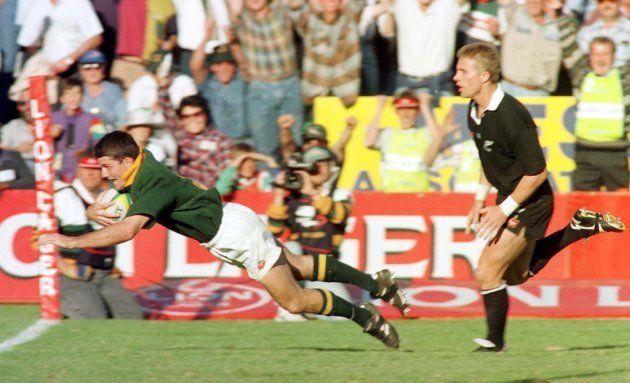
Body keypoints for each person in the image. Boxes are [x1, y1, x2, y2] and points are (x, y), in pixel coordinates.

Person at [39, 131, 408, 349]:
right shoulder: (143, 164)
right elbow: (120, 204)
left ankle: (366, 317)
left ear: (124, 161)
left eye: (106, 167)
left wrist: (71, 242)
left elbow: (127, 229)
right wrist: (84, 218)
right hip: (233, 222)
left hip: (234, 236)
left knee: (295, 302)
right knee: (298, 264)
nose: (103, 175)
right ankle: (377, 284)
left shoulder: (153, 183)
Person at [454, 42, 625, 352]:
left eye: (463, 71)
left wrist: (503, 210)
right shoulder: (474, 110)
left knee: (487, 270)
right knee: (516, 276)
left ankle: (495, 342)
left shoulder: (511, 116)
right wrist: (479, 201)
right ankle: (578, 229)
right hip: (510, 197)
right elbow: (487, 160)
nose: (456, 77)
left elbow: (538, 174)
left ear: (484, 76)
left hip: (531, 201)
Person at [51, 154, 143, 319]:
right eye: (86, 168)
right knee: (93, 318)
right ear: (77, 169)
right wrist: (64, 267)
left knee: (132, 316)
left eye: (95, 169)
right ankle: (65, 306)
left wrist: (111, 264)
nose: (90, 174)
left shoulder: (112, 197)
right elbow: (38, 237)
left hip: (104, 274)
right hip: (75, 275)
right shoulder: (64, 196)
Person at [559, 10, 629, 191]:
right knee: (581, 211)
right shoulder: (581, 75)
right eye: (596, 53)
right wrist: (559, 12)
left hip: (615, 154)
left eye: (605, 53)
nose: (600, 58)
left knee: (620, 210)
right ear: (589, 56)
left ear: (614, 56)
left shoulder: (623, 77)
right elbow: (568, 45)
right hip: (585, 154)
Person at [364, 90, 457, 192]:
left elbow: (437, 138)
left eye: (411, 108)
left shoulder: (424, 133)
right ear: (396, 111)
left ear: (418, 111)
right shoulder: (388, 133)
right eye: (401, 109)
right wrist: (380, 107)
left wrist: (424, 106)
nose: (406, 114)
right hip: (390, 194)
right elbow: (369, 142)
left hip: (418, 195)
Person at [499, 0, 563, 97]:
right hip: (508, 89)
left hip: (537, 93)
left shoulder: (559, 25)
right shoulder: (515, 12)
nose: (532, 2)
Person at [190, 37, 248, 141]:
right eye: (219, 64)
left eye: (229, 64)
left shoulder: (242, 82)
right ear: (212, 67)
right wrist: (206, 36)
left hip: (244, 140)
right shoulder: (208, 85)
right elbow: (195, 67)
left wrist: (233, 42)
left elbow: (244, 64)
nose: (224, 68)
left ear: (234, 66)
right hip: (217, 142)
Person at [52, 78, 106, 182]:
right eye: (68, 93)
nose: (73, 97)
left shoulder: (94, 120)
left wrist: (88, 151)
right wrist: (49, 136)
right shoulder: (53, 119)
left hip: (82, 170)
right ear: (62, 98)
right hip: (57, 173)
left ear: (82, 97)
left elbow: (101, 145)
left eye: (76, 93)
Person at [175, 95, 233, 189]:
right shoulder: (177, 140)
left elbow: (226, 173)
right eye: (186, 116)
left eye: (197, 115)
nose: (192, 120)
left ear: (205, 115)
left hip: (210, 193)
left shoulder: (220, 139)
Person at [277, 114, 358, 164]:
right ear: (303, 144)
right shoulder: (297, 157)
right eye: (308, 142)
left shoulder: (331, 159)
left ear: (326, 144)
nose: (314, 145)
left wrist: (349, 128)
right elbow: (287, 145)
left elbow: (340, 145)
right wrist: (285, 129)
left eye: (319, 142)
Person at [78, 50, 127, 132]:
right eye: (87, 68)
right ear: (80, 70)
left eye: (97, 67)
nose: (92, 72)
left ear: (103, 69)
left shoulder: (114, 90)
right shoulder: (76, 89)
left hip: (108, 138)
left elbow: (123, 120)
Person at [577, 0, 629, 68]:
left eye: (611, 1)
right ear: (597, 5)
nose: (606, 5)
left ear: (619, 3)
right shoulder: (585, 33)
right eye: (601, 2)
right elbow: (582, 64)